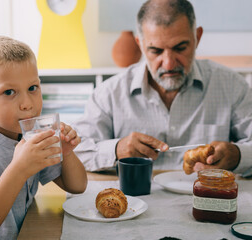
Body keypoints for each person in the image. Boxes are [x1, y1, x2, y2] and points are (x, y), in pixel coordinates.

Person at [72, 0, 252, 175]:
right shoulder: (109, 93)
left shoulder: (231, 85)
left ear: (197, 37)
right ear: (140, 44)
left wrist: (238, 156)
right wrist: (116, 149)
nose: (169, 64)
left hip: (207, 200)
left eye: (180, 48)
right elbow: (75, 152)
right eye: (156, 51)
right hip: (134, 203)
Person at [0, 36, 87, 239]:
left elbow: (77, 186)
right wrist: (19, 169)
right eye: (9, 92)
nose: (27, 104)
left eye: (32, 88)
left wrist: (67, 153)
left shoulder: (31, 137)